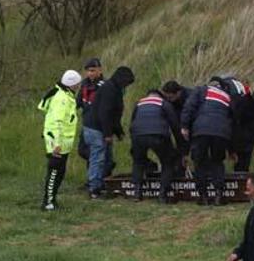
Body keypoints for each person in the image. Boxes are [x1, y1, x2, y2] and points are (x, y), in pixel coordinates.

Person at [181, 77, 234, 205]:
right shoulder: (227, 97)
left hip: (201, 130)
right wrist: (231, 148)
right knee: (217, 162)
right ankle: (218, 195)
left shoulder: (201, 90)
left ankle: (203, 196)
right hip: (221, 133)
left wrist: (184, 126)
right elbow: (233, 119)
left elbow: (189, 107)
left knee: (200, 162)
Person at [129, 89, 184, 203]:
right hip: (158, 135)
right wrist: (180, 147)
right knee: (167, 162)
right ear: (161, 96)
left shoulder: (139, 103)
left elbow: (133, 122)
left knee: (138, 162)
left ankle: (137, 193)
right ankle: (162, 194)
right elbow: (174, 125)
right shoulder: (164, 104)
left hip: (138, 135)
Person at [37, 69, 81, 210]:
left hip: (63, 143)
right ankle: (48, 202)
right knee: (54, 172)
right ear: (72, 84)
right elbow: (58, 122)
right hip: (57, 143)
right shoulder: (62, 98)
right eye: (77, 83)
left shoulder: (67, 96)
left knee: (60, 172)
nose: (78, 86)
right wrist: (56, 144)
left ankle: (52, 200)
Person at [94, 66, 135, 198]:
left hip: (104, 129)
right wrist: (107, 134)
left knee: (106, 159)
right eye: (127, 83)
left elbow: (115, 115)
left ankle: (104, 184)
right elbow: (105, 113)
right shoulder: (109, 89)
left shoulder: (115, 89)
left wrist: (119, 132)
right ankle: (95, 188)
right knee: (100, 159)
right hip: (98, 129)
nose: (127, 86)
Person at [222, 77, 254, 172]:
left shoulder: (240, 98)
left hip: (248, 125)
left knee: (243, 154)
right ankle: (241, 175)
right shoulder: (252, 98)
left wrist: (231, 149)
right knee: (244, 155)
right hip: (250, 125)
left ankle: (240, 176)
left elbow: (234, 124)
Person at [77, 57, 106, 196]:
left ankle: (95, 185)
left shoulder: (104, 86)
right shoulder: (84, 85)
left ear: (100, 70)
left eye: (93, 70)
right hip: (86, 124)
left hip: (98, 126)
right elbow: (78, 103)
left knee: (97, 156)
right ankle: (95, 180)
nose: (90, 73)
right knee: (85, 152)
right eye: (88, 71)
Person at [161, 80, 192, 176]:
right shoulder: (169, 101)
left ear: (178, 93)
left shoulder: (190, 97)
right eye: (167, 98)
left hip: (193, 126)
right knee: (179, 154)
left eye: (170, 97)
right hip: (179, 128)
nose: (168, 100)